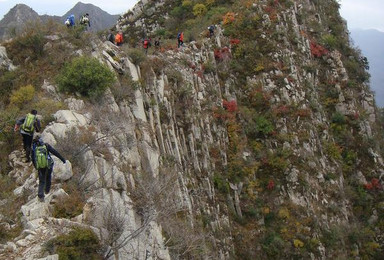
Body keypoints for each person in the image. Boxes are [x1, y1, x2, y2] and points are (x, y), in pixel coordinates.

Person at [32, 135, 66, 202]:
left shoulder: (34, 148)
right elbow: (55, 152)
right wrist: (63, 159)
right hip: (48, 165)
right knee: (48, 177)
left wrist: (36, 166)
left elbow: (33, 158)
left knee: (42, 181)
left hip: (40, 167)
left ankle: (40, 195)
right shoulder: (46, 146)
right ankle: (47, 191)